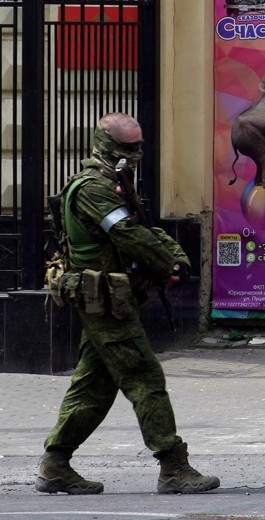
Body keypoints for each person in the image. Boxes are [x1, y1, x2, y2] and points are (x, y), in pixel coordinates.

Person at [37, 113, 220, 495]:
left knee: (93, 387)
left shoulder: (115, 184)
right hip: (104, 303)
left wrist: (170, 258)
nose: (135, 154)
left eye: (139, 147)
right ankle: (173, 466)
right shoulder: (92, 189)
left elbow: (144, 230)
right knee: (145, 378)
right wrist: (168, 264)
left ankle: (55, 465)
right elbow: (127, 234)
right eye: (127, 147)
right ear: (104, 144)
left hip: (113, 300)